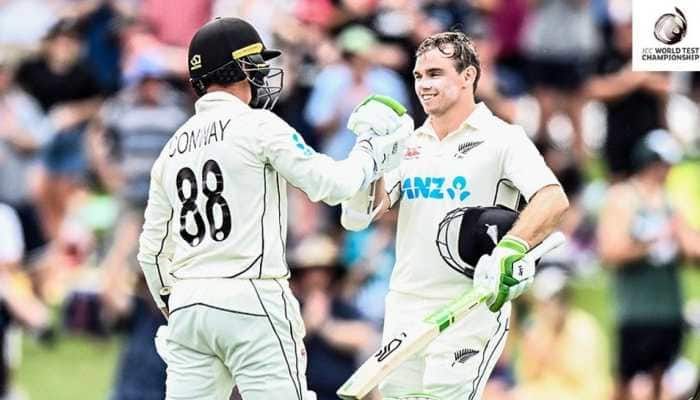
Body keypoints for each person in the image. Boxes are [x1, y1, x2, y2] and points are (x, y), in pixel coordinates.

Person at [137, 17, 413, 400]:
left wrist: (178, 309)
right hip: (252, 297)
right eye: (254, 66)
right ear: (234, 70)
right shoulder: (259, 126)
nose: (261, 75)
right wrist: (370, 151)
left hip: (189, 305)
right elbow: (333, 185)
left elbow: (151, 254)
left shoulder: (171, 150)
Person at [340, 31, 568, 399]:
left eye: (435, 74)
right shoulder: (409, 143)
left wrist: (510, 249)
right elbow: (369, 211)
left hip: (468, 306)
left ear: (468, 76)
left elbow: (552, 199)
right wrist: (372, 160)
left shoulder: (502, 138)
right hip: (405, 305)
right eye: (417, 76)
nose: (423, 85)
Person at [597, 129, 700, 400]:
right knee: (625, 382)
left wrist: (679, 238)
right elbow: (609, 252)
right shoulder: (623, 197)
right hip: (635, 309)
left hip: (668, 308)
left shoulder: (672, 201)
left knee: (661, 379)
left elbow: (693, 251)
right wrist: (650, 243)